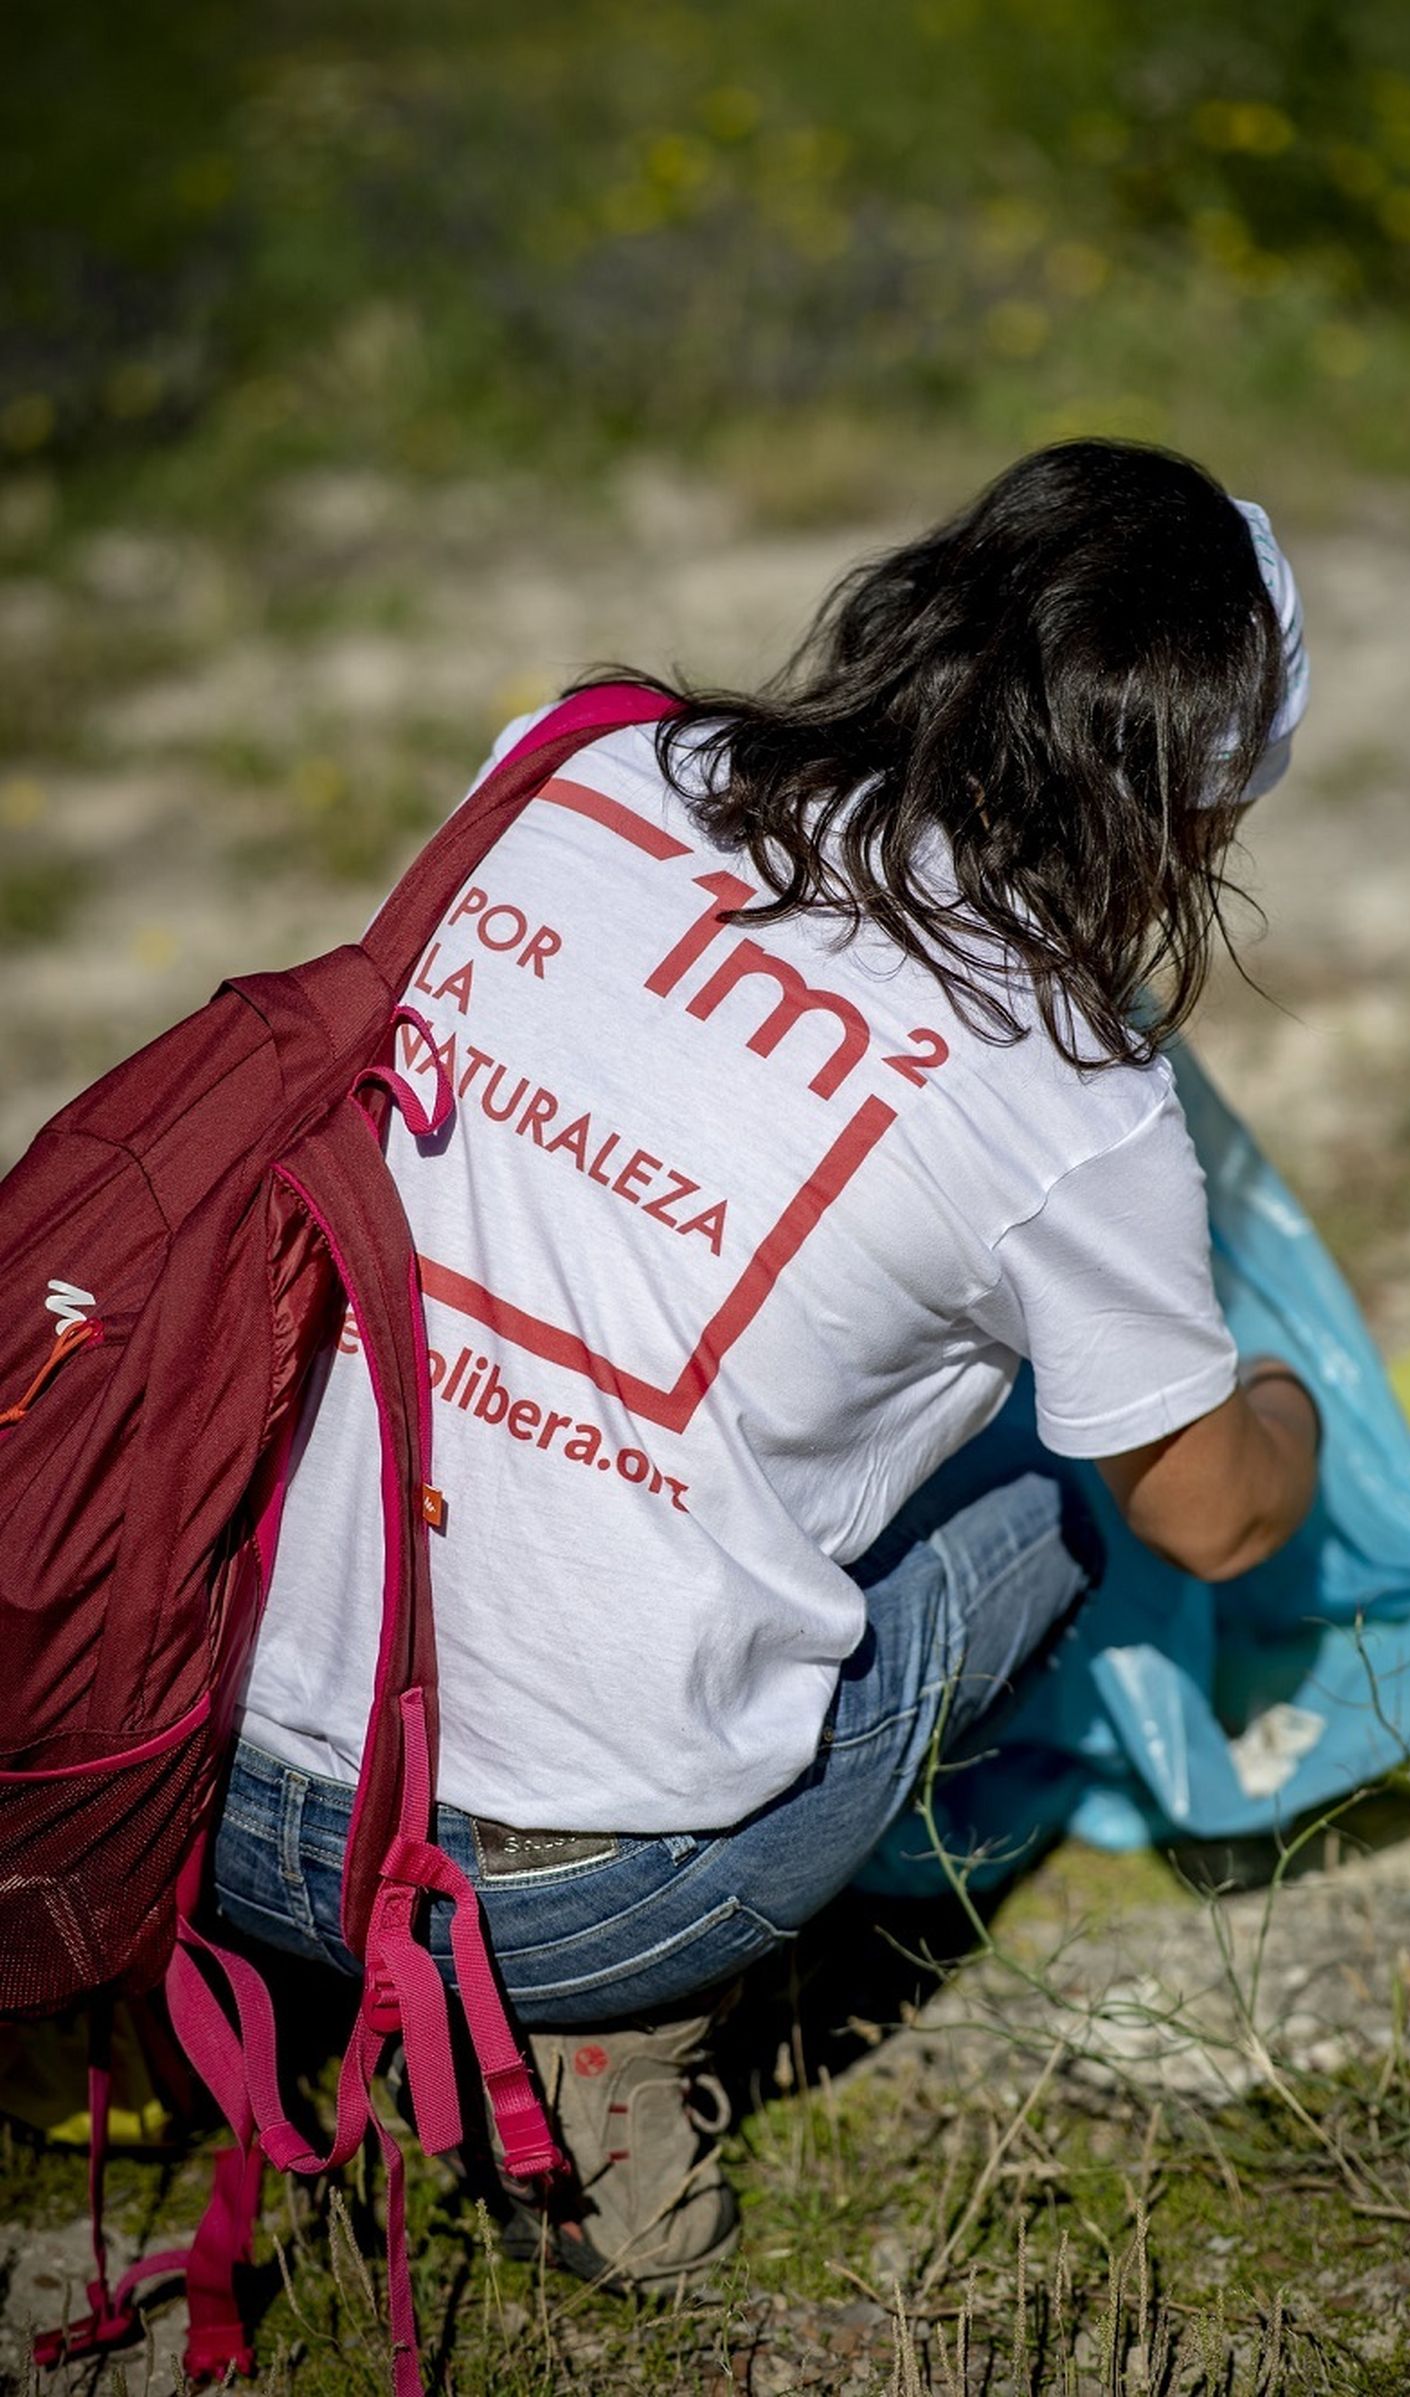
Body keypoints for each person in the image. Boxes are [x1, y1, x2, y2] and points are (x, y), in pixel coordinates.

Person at [212, 438, 1321, 2288]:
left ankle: (137, 1996)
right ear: (1194, 812)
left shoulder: (573, 760)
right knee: (1063, 1491)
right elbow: (1213, 1521)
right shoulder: (1068, 1081)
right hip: (554, 1898)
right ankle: (607, 2042)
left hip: (188, 1748)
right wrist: (1284, 1416)